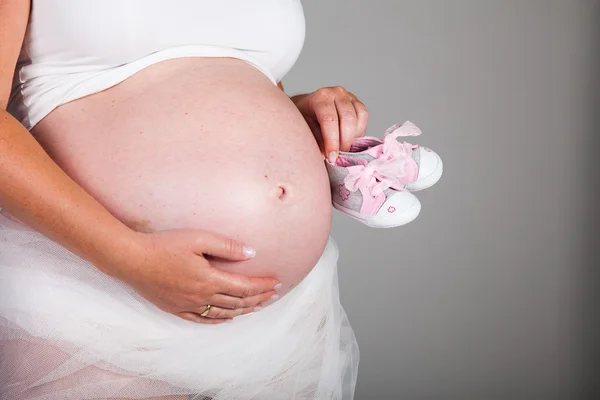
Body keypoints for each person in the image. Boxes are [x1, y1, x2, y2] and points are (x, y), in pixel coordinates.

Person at [0, 1, 366, 399]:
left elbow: (220, 78)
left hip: (274, 316)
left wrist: (298, 114)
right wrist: (129, 257)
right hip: (98, 290)